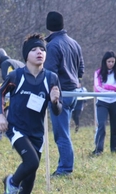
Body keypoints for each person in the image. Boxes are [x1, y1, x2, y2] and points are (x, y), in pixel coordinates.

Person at [0, 33, 62, 194]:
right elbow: (0, 92)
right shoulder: (16, 75)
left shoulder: (51, 78)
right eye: (34, 49)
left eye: (42, 49)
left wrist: (55, 101)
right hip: (16, 128)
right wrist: (0, 115)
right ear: (26, 55)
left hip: (36, 133)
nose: (39, 52)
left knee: (31, 175)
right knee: (31, 162)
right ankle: (11, 182)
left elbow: (57, 111)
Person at [44, 11, 84, 177]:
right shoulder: (75, 43)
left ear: (48, 26)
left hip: (61, 94)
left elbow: (50, 73)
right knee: (64, 132)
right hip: (74, 92)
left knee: (61, 134)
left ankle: (65, 169)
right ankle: (65, 165)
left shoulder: (52, 46)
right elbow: (81, 71)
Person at [92, 51, 116, 155]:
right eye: (109, 61)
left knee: (115, 126)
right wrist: (111, 90)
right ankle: (98, 149)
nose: (111, 63)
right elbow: (97, 88)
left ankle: (115, 148)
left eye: (113, 61)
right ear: (104, 62)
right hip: (102, 102)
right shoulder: (98, 73)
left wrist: (107, 87)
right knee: (101, 125)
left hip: (115, 101)